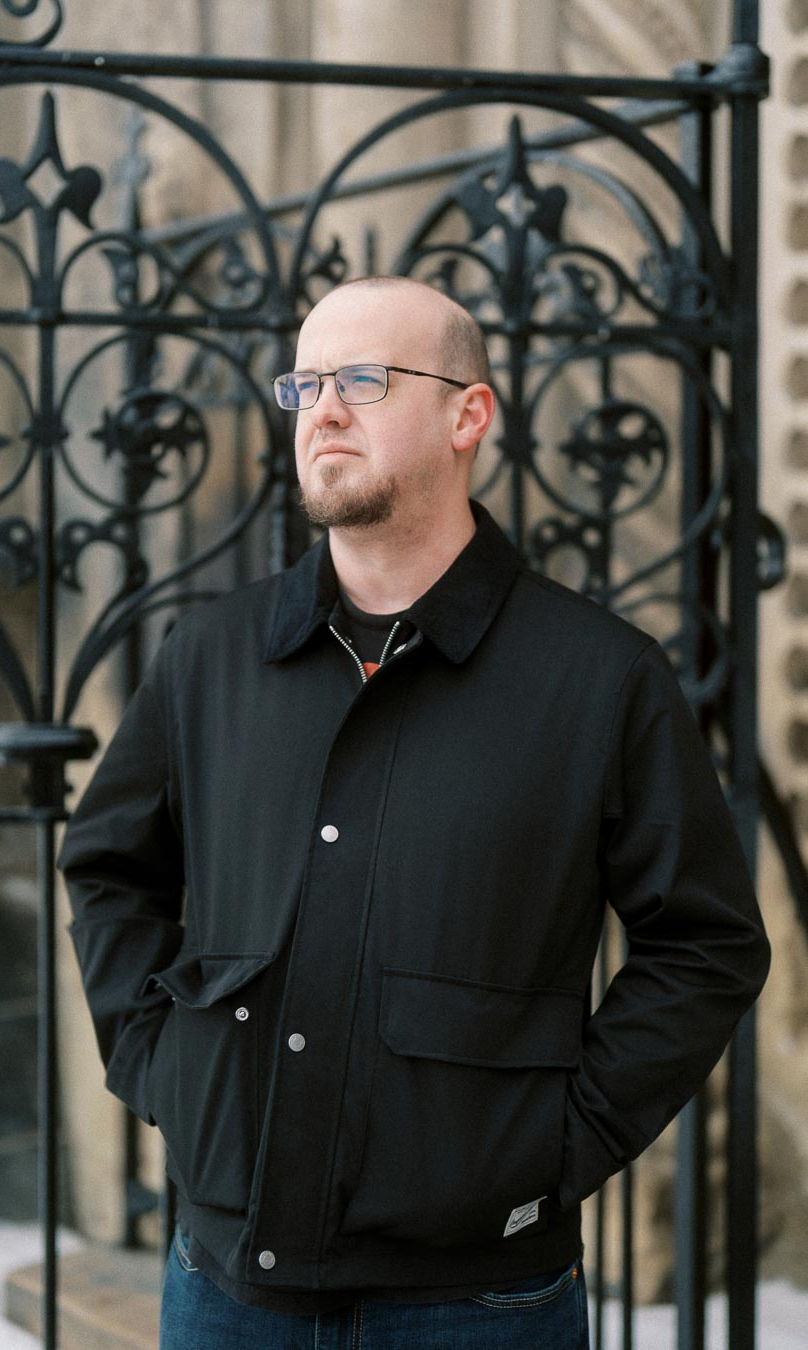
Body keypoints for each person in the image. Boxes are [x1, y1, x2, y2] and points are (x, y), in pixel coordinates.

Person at [58, 276, 770, 1349]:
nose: (322, 411)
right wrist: (168, 1071)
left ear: (467, 415)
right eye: (304, 384)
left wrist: (557, 1144)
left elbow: (706, 944)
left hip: (480, 1302)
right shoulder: (211, 656)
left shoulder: (600, 677)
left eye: (362, 380)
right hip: (225, 1291)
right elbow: (111, 870)